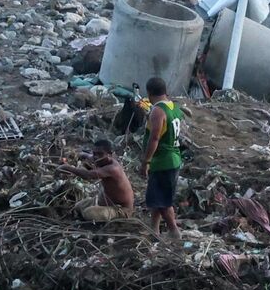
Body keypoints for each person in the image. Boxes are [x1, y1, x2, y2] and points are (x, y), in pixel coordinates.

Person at [137, 77, 185, 240]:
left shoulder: (158, 112)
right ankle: (154, 230)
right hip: (173, 159)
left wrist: (146, 161)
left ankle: (174, 232)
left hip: (162, 161)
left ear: (149, 92)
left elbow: (155, 138)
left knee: (163, 201)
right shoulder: (173, 107)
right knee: (156, 198)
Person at [60, 139, 134, 221]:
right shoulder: (102, 161)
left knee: (89, 213)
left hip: (121, 209)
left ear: (110, 155)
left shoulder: (113, 168)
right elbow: (88, 156)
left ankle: (116, 217)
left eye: (100, 154)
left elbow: (88, 175)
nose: (96, 157)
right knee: (78, 206)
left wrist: (66, 167)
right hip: (104, 202)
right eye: (94, 153)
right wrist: (79, 154)